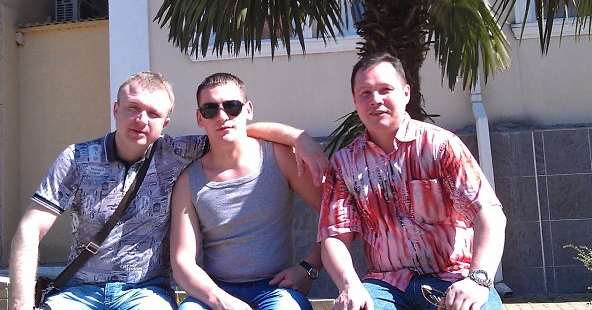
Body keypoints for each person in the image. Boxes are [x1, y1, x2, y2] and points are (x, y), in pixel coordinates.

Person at [9, 71, 328, 310]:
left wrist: (300, 139)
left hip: (144, 293)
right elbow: (29, 230)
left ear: (166, 123)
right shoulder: (77, 158)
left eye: (153, 113)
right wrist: (20, 306)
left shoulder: (175, 154)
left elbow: (234, 132)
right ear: (116, 109)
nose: (141, 119)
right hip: (78, 291)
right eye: (133, 108)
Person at [318, 53, 506, 310]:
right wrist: (349, 285)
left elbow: (490, 214)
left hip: (453, 278)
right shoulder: (344, 164)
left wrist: (477, 281)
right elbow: (334, 236)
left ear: (406, 93)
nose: (375, 100)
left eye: (385, 90)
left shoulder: (441, 146)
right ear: (354, 100)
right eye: (365, 93)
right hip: (385, 285)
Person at [171, 73, 323, 310]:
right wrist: (222, 301)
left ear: (248, 109)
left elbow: (338, 217)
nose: (222, 116)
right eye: (210, 109)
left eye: (232, 106)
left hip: (275, 289)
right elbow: (182, 261)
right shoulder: (188, 181)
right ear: (200, 118)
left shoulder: (278, 157)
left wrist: (309, 268)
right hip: (216, 290)